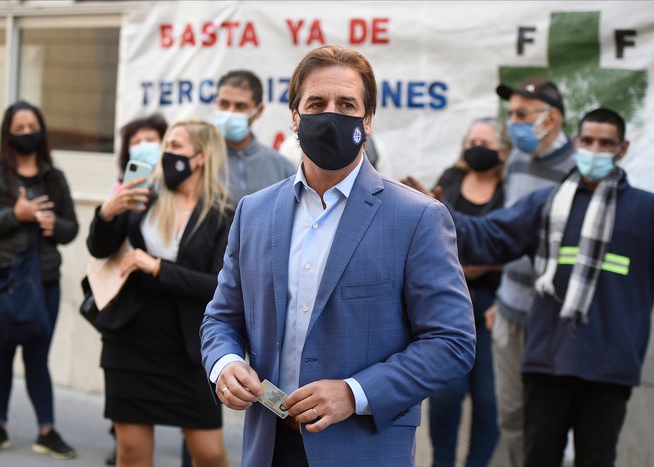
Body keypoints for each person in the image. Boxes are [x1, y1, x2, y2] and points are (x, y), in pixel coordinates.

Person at [200, 45, 476, 466]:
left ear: (367, 121)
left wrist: (355, 392)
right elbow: (222, 317)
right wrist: (225, 363)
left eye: (346, 104)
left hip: (362, 447)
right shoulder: (253, 212)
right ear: (295, 116)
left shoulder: (417, 217)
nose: (330, 114)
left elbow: (451, 342)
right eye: (316, 103)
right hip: (269, 445)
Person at [451, 107, 654, 467]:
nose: (595, 150)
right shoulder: (546, 204)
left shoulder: (644, 211)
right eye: (588, 141)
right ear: (576, 143)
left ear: (622, 149)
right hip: (549, 362)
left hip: (609, 369)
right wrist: (435, 211)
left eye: (606, 144)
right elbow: (489, 237)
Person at [87, 119, 233, 467]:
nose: (167, 155)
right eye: (166, 146)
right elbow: (99, 247)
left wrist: (157, 268)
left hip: (190, 346)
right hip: (131, 340)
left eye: (176, 147)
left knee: (210, 454)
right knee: (133, 453)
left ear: (201, 157)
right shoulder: (143, 195)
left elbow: (218, 284)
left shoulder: (223, 213)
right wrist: (108, 212)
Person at [0, 100, 79, 459]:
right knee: (1, 351)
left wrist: (52, 225)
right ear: (8, 133)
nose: (28, 134)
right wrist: (16, 214)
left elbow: (71, 228)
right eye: (20, 128)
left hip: (43, 280)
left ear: (42, 130)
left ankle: (47, 430)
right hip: (3, 280)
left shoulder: (53, 176)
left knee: (37, 355)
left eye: (33, 127)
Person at [488, 76, 574, 467]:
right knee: (511, 418)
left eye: (523, 114)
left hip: (552, 321)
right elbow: (510, 230)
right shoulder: (517, 160)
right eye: (511, 115)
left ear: (551, 118)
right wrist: (502, 295)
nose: (514, 123)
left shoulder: (577, 170)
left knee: (551, 425)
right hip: (508, 313)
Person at [419, 117, 510, 467]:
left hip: (492, 307)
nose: (476, 148)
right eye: (471, 141)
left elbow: (517, 243)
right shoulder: (451, 179)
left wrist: (485, 264)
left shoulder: (509, 188)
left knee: (488, 399)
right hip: (449, 302)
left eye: (485, 143)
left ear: (502, 151)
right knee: (445, 395)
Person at [102, 112, 169, 466]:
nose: (144, 147)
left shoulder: (180, 190)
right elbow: (99, 246)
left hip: (173, 319)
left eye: (151, 140)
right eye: (136, 142)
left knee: (205, 445)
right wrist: (109, 212)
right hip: (127, 315)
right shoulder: (123, 190)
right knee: (132, 444)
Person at [213, 69, 295, 201]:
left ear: (259, 110)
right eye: (224, 104)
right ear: (215, 103)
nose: (230, 113)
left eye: (240, 106)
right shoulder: (199, 161)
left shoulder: (281, 167)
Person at [115, 113, 169, 186]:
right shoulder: (120, 189)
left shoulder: (175, 184)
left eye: (150, 140)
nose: (143, 145)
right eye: (136, 142)